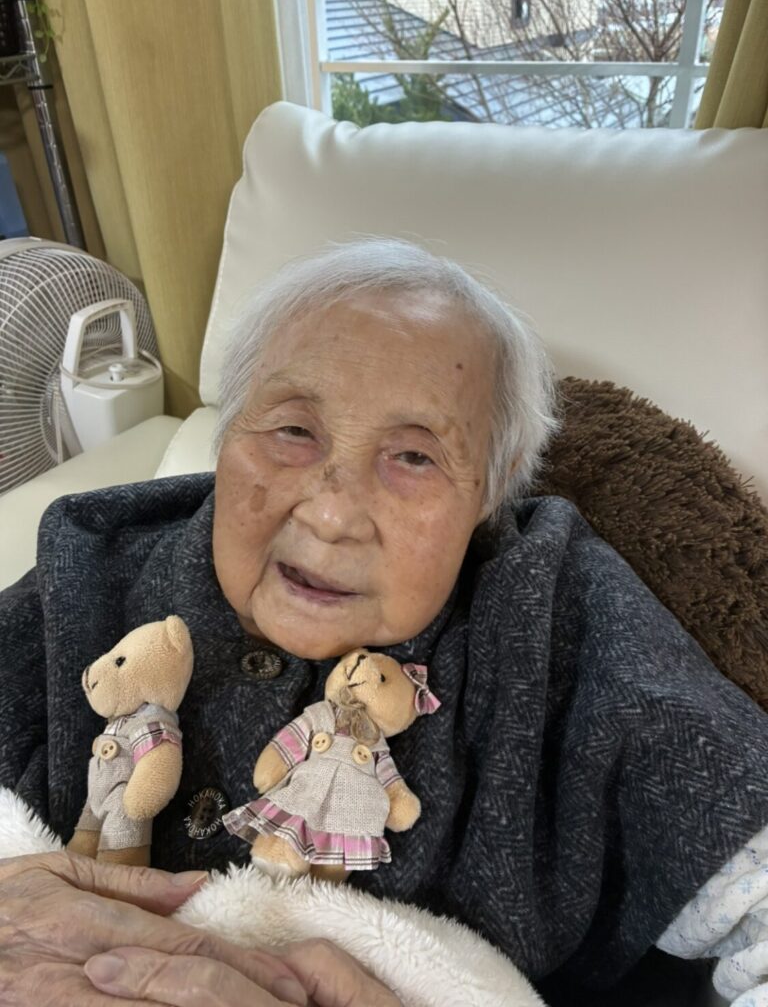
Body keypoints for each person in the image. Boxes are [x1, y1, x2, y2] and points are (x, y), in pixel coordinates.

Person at [1, 236, 768, 1007]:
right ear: (229, 431)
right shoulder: (99, 552)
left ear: (491, 490)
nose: (332, 514)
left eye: (414, 458)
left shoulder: (554, 611)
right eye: (293, 431)